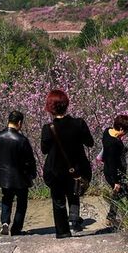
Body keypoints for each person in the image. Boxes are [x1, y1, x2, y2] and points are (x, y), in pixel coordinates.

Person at [40, 89, 94, 238]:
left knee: (58, 200)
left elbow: (44, 150)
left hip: (55, 171)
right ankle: (74, 219)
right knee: (74, 192)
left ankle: (63, 232)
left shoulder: (48, 128)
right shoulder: (79, 123)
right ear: (66, 105)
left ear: (50, 107)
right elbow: (90, 143)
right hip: (76, 169)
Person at [0, 110, 37, 235]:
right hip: (20, 177)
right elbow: (30, 160)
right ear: (19, 123)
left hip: (3, 177)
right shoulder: (22, 140)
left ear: (8, 121)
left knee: (6, 199)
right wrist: (32, 173)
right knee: (21, 202)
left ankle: (5, 222)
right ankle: (16, 228)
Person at [102, 114, 128, 228]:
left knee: (123, 193)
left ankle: (112, 217)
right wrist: (116, 181)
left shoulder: (107, 131)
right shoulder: (114, 143)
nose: (126, 134)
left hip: (109, 170)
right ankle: (112, 217)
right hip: (114, 173)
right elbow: (112, 163)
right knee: (123, 193)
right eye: (126, 131)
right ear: (121, 129)